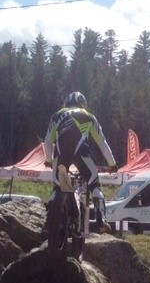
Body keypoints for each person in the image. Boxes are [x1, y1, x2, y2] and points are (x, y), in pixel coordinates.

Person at [43, 91, 117, 227]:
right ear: (83, 104)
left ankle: (48, 220)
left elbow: (47, 142)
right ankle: (102, 220)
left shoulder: (57, 115)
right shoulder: (89, 116)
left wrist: (48, 160)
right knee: (94, 183)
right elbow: (102, 143)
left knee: (57, 187)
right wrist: (112, 163)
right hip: (82, 154)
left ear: (66, 103)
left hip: (61, 155)